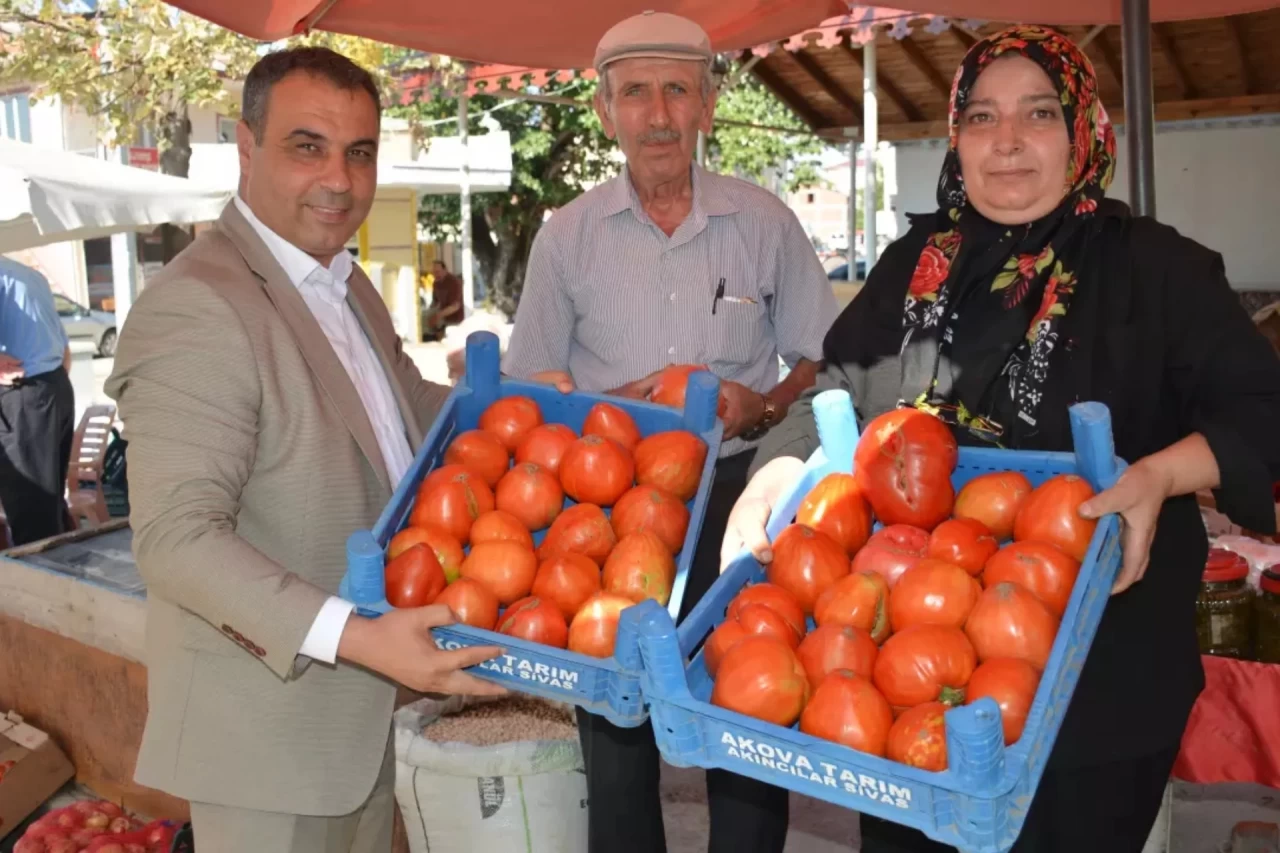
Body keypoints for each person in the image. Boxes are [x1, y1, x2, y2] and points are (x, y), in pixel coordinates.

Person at [722, 25, 1280, 852]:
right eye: (981, 117)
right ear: (957, 139)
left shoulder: (1160, 270)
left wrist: (1161, 474)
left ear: (1083, 130)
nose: (1007, 141)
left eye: (1039, 114)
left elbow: (1259, 408)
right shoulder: (917, 262)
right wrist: (772, 479)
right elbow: (833, 388)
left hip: (1103, 673)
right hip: (914, 664)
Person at [105, 47, 504, 853]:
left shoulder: (341, 279)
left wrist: (550, 413)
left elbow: (408, 417)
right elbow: (177, 540)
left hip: (359, 721)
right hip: (266, 739)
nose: (340, 179)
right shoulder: (197, 304)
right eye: (307, 146)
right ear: (247, 150)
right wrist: (359, 636)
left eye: (359, 152)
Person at [503, 11, 838, 852]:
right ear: (606, 109)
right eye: (636, 93)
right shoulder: (567, 238)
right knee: (616, 724)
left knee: (749, 715)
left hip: (742, 494)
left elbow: (820, 363)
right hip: (614, 497)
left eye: (677, 91)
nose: (658, 113)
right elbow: (527, 389)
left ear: (707, 107)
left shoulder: (765, 223)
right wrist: (618, 405)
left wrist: (758, 404)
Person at [0, 256, 74, 546]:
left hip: (24, 393)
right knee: (48, 504)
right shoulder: (28, 275)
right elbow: (64, 350)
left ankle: (43, 587)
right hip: (53, 386)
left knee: (31, 511)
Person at [423, 259, 464, 340]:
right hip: (443, 320)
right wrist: (430, 315)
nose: (436, 275)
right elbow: (435, 302)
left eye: (438, 272)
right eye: (434, 272)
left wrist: (437, 316)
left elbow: (455, 306)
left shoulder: (454, 282)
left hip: (456, 320)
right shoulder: (436, 283)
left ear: (445, 270)